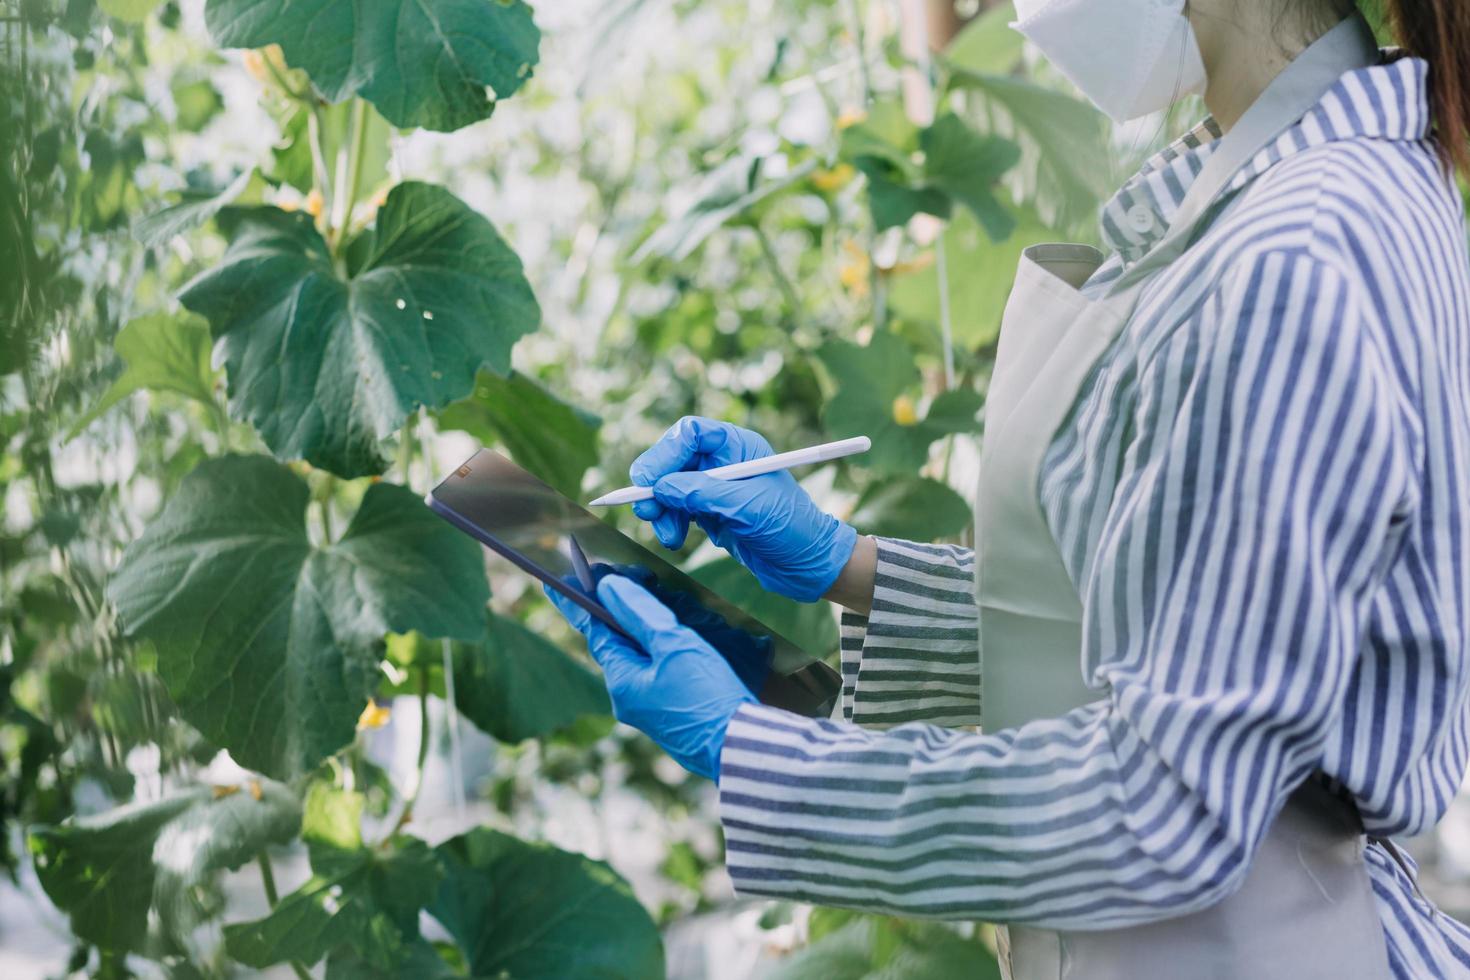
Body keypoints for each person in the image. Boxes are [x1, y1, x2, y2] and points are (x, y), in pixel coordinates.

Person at [547, 1, 1470, 976]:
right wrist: (846, 564)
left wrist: (758, 758)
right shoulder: (1310, 171)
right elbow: (1175, 632)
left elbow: (1170, 803)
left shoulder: (1293, 253)